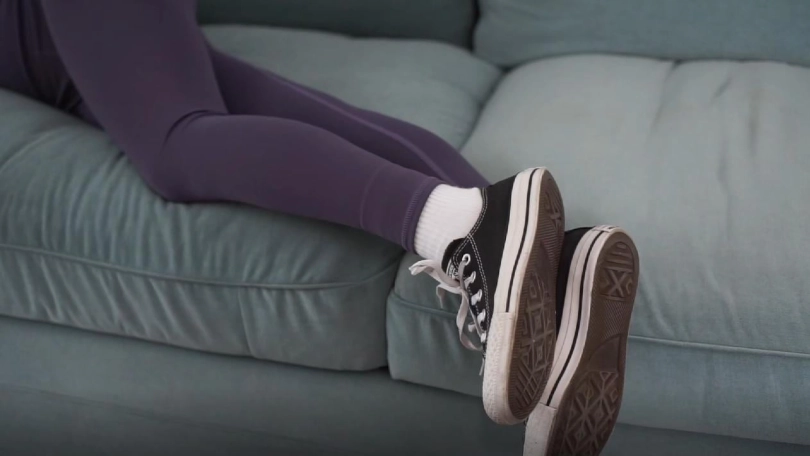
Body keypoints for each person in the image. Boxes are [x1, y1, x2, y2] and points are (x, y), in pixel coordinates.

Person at [0, 1, 640, 454]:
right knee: (249, 105)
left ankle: (459, 227)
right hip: (45, 43)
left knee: (175, 147)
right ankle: (552, 273)